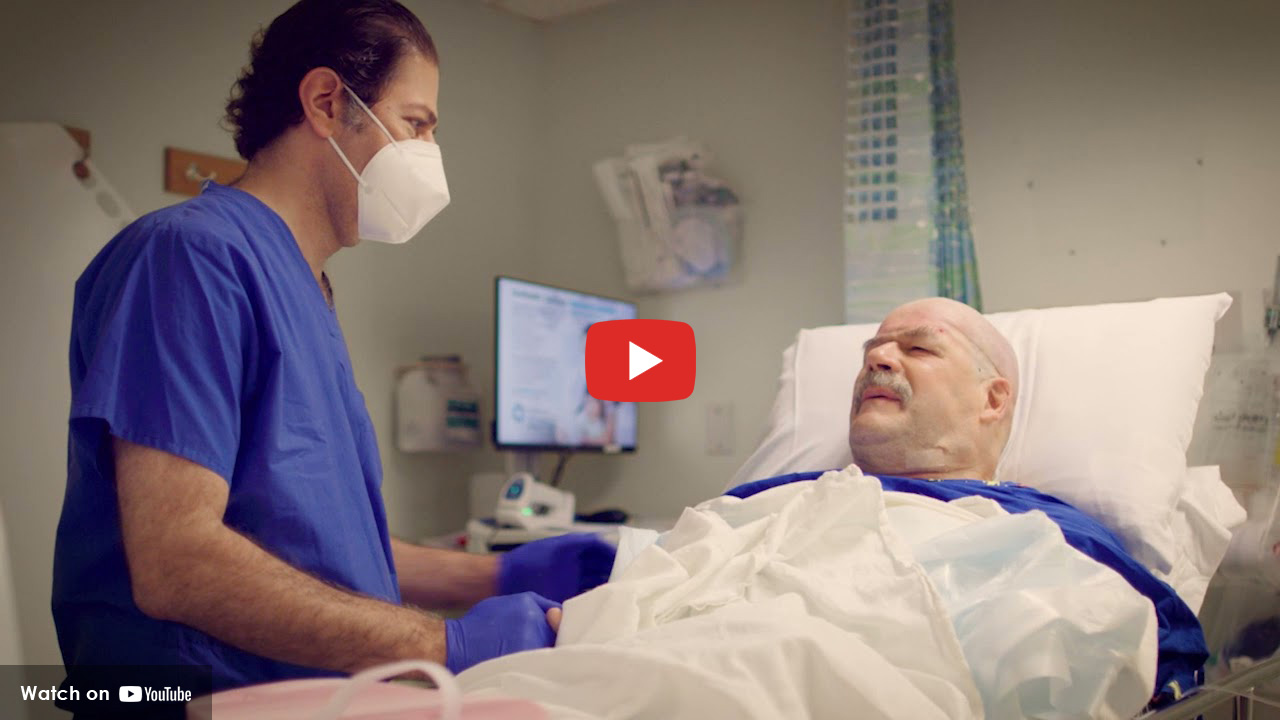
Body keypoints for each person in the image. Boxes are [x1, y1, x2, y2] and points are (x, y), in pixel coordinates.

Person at [52, 0, 613, 693]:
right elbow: (178, 562)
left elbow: (320, 550)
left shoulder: (306, 286)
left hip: (314, 693)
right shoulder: (191, 258)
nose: (428, 157)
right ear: (325, 102)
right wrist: (446, 642)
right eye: (416, 125)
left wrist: (494, 573)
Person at [726, 296, 1205, 705]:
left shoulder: (1045, 535)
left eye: (918, 347)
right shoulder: (764, 502)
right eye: (871, 352)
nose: (878, 361)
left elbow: (1146, 659)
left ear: (993, 400)